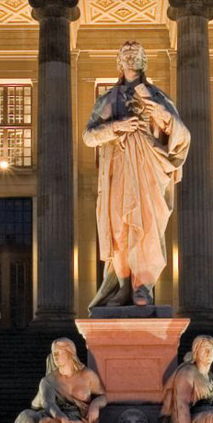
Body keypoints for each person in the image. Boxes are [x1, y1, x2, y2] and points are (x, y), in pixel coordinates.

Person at [83, 40, 190, 308]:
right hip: (118, 169)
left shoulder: (159, 97)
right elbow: (88, 136)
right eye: (126, 55)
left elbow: (182, 135)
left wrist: (164, 116)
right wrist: (117, 126)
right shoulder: (108, 99)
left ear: (144, 62)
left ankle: (143, 286)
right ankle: (122, 286)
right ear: (119, 63)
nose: (131, 59)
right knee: (120, 228)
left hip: (149, 169)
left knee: (147, 229)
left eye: (136, 55)